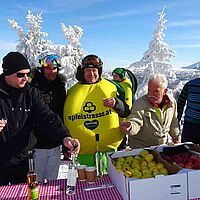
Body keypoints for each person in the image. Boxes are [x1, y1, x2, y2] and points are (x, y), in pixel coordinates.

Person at [0, 51, 80, 186]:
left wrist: (65, 137)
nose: (25, 78)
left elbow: (47, 117)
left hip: (24, 161)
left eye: (27, 74)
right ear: (7, 72)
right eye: (20, 75)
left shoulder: (30, 93)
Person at [63, 54, 130, 169]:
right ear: (82, 72)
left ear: (99, 71)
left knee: (111, 181)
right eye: (88, 71)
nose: (91, 74)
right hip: (82, 152)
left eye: (94, 70)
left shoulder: (111, 87)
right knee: (85, 181)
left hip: (109, 150)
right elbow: (64, 119)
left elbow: (126, 112)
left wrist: (116, 103)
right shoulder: (72, 91)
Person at [31, 53, 67, 181]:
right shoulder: (32, 86)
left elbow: (62, 114)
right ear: (41, 69)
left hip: (55, 142)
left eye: (54, 68)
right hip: (36, 144)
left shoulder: (60, 86)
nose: (51, 71)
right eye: (48, 68)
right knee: (36, 183)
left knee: (52, 181)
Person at [120, 73, 179, 149]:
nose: (151, 94)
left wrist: (175, 136)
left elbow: (173, 120)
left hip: (161, 147)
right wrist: (130, 127)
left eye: (156, 91)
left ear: (165, 91)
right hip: (141, 149)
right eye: (149, 90)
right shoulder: (140, 103)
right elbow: (135, 120)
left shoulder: (171, 102)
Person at [112, 67, 138, 150]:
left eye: (115, 76)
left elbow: (130, 100)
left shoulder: (126, 86)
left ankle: (122, 147)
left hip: (124, 113)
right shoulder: (120, 84)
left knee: (122, 130)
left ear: (121, 76)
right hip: (119, 111)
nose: (114, 78)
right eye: (113, 76)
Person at [177, 78, 200, 144]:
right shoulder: (190, 85)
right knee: (185, 149)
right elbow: (180, 104)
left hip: (189, 125)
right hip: (189, 126)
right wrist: (176, 122)